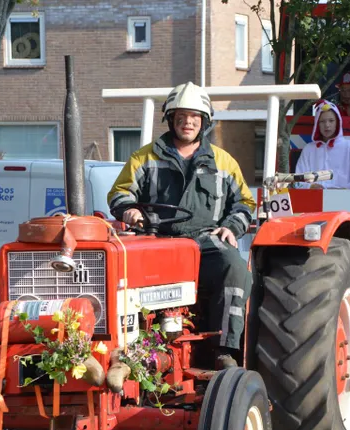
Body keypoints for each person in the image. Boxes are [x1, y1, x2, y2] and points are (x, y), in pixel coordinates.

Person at [107, 82, 256, 369]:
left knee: (234, 268)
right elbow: (119, 193)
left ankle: (224, 350)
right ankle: (133, 348)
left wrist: (230, 227)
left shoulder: (223, 162)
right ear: (171, 119)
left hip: (204, 241)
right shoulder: (144, 157)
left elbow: (245, 204)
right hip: (156, 238)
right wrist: (130, 210)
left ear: (204, 122)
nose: (188, 122)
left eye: (194, 117)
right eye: (182, 116)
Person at [293, 100, 350, 190]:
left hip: (343, 200)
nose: (327, 125)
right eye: (322, 121)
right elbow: (298, 180)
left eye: (331, 121)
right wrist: (310, 186)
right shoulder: (309, 149)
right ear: (317, 124)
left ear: (337, 122)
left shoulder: (349, 147)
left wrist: (343, 189)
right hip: (314, 198)